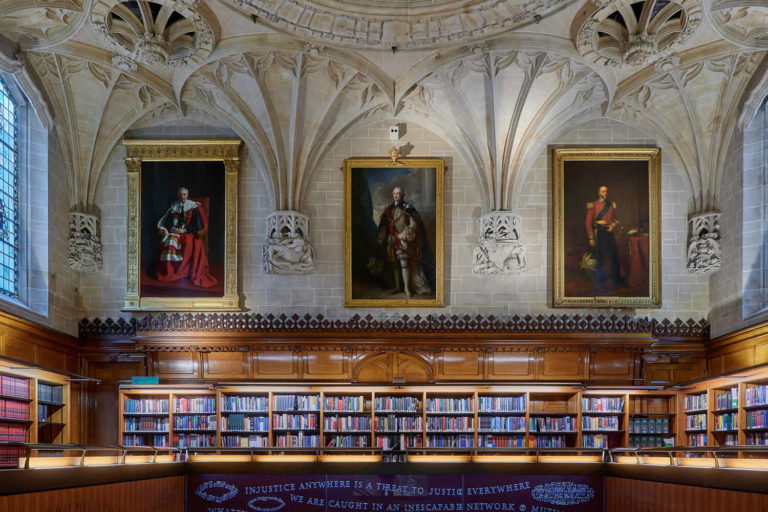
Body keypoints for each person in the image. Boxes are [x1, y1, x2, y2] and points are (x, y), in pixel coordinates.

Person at [376, 187, 432, 298]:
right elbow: (384, 226)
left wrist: (405, 234)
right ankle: (398, 287)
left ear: (402, 195)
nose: (396, 196)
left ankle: (407, 288)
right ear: (392, 196)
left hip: (403, 240)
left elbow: (414, 225)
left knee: (404, 263)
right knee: (394, 264)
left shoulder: (408, 209)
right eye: (394, 194)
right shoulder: (389, 210)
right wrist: (381, 237)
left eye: (398, 194)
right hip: (391, 240)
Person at [156, 187, 217, 287]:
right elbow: (167, 221)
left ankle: (184, 271)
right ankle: (172, 271)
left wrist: (184, 230)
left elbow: (198, 225)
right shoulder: (173, 206)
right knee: (170, 241)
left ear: (187, 195)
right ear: (177, 195)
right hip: (175, 232)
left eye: (184, 194)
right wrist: (172, 228)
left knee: (187, 243)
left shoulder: (194, 207)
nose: (182, 196)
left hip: (189, 232)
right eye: (180, 194)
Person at [585, 185, 622, 286]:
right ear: (598, 192)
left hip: (609, 232)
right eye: (602, 191)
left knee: (614, 255)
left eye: (606, 192)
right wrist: (591, 238)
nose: (605, 193)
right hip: (599, 232)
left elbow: (616, 220)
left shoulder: (611, 205)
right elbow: (588, 223)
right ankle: (599, 280)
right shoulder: (593, 205)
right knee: (600, 256)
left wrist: (613, 226)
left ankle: (617, 279)